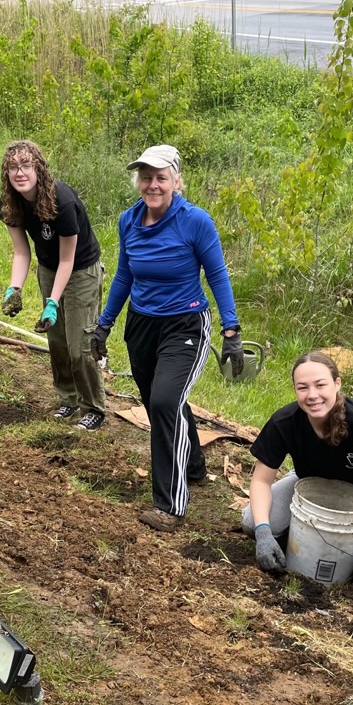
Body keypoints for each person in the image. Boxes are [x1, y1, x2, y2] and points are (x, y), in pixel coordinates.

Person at [89, 145, 244, 532]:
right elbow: (125, 275)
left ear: (176, 181)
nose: (152, 184)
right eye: (146, 176)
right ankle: (192, 466)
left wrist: (231, 331)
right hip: (142, 325)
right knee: (162, 401)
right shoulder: (129, 220)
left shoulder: (196, 222)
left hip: (185, 324)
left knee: (163, 401)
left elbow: (217, 275)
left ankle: (170, 504)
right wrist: (105, 324)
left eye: (161, 177)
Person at [242, 351, 353, 596]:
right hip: (309, 487)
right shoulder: (285, 422)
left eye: (320, 385)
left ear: (337, 384)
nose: (312, 395)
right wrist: (263, 532)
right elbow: (261, 481)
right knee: (252, 522)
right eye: (302, 387)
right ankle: (295, 537)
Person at [0, 140, 106, 431]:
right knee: (57, 340)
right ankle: (68, 399)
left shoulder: (63, 201)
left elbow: (68, 260)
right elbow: (21, 251)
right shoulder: (10, 203)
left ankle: (93, 407)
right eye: (13, 167)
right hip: (48, 268)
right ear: (6, 173)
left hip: (81, 270)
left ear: (39, 168)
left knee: (80, 344)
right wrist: (14, 288)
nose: (20, 173)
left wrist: (53, 302)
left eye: (26, 165)